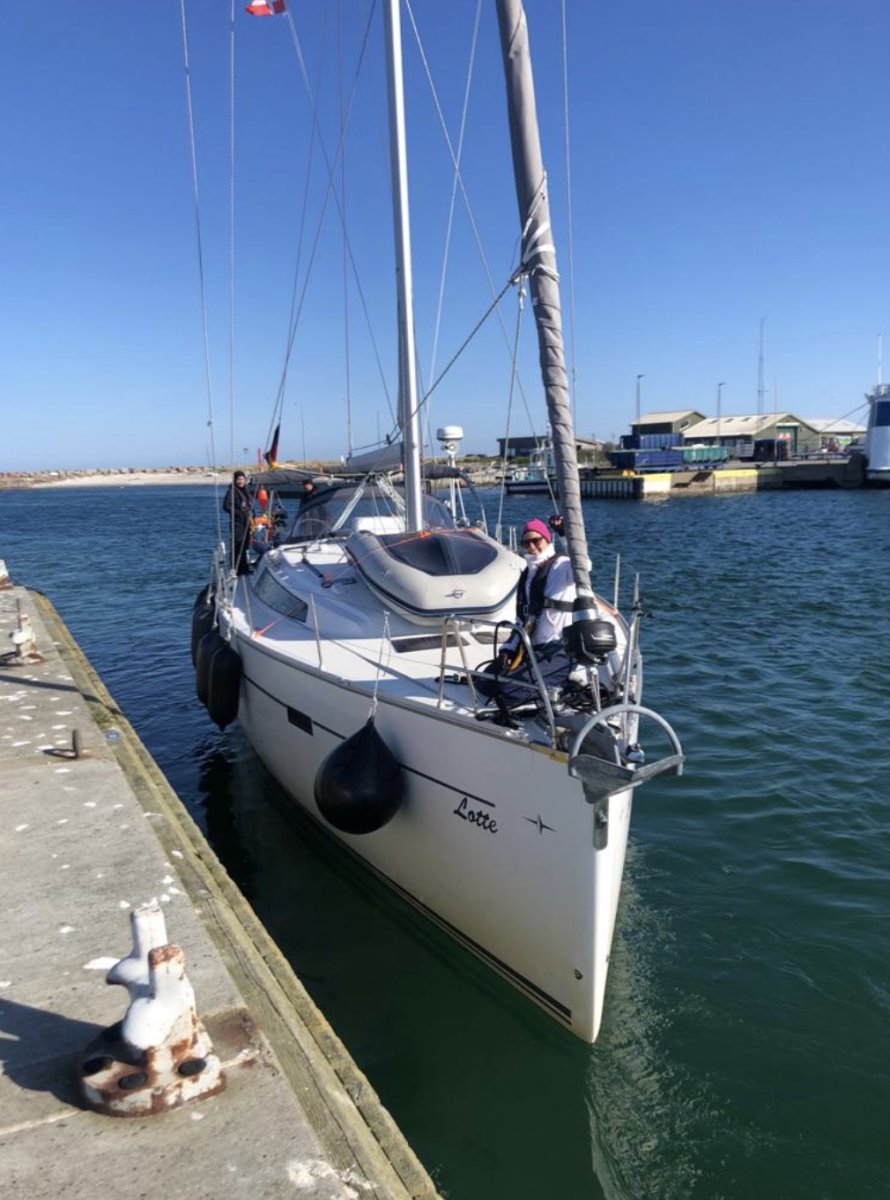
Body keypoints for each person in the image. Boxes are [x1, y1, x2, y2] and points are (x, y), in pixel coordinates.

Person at [480, 518, 576, 704]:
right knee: (484, 682)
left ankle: (560, 687)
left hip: (558, 651)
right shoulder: (528, 573)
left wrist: (566, 535)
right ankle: (540, 682)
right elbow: (523, 619)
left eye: (536, 540)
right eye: (526, 542)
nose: (532, 546)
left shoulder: (562, 566)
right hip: (532, 649)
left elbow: (583, 566)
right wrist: (507, 650)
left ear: (547, 540)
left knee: (509, 692)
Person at [223, 470, 253, 575]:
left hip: (247, 522)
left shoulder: (246, 490)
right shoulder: (232, 491)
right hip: (237, 523)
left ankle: (244, 567)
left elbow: (249, 505)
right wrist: (238, 513)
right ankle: (236, 568)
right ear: (235, 480)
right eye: (238, 479)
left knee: (245, 545)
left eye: (242, 479)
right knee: (238, 544)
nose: (241, 481)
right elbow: (226, 506)